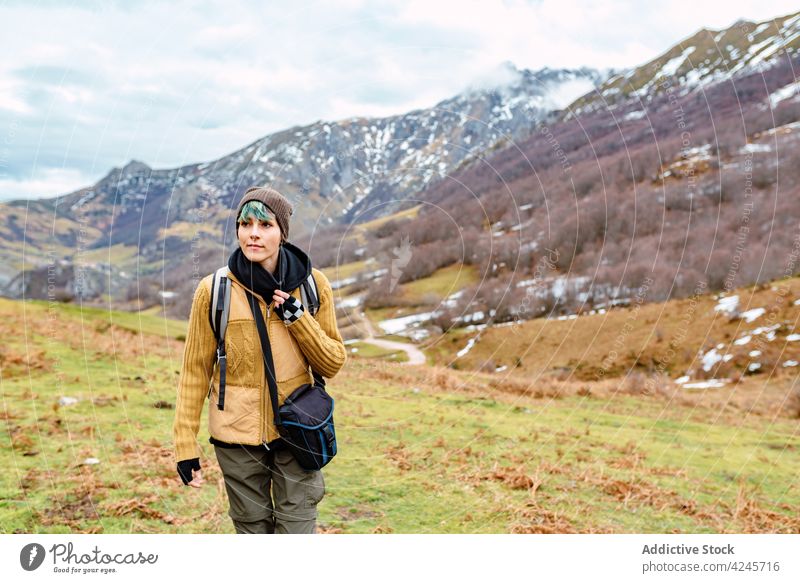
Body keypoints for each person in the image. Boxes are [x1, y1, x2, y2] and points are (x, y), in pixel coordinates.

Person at [172, 186, 347, 534]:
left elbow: (332, 362)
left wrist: (298, 318)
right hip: (236, 436)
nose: (253, 233)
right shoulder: (214, 290)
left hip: (299, 429)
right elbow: (194, 372)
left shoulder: (313, 286)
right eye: (245, 223)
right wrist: (184, 444)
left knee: (295, 529)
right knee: (251, 530)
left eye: (265, 225)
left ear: (282, 232)